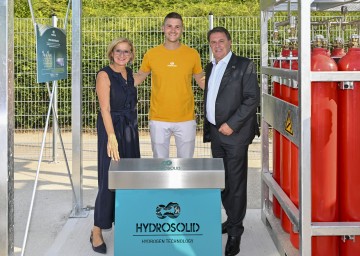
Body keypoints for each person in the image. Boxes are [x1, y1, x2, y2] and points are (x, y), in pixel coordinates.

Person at [203, 27, 260, 256]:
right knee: (223, 180)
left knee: (236, 183)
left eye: (221, 41)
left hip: (234, 135)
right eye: (213, 42)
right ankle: (231, 219)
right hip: (216, 134)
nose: (217, 45)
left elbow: (251, 99)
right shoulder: (211, 66)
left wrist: (232, 124)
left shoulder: (244, 65)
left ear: (230, 41)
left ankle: (235, 232)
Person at [91, 37, 140, 254]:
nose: (122, 55)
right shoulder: (104, 74)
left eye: (126, 52)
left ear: (131, 55)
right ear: (111, 53)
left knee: (129, 177)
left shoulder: (129, 74)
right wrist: (111, 137)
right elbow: (104, 109)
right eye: (118, 51)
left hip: (130, 129)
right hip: (112, 129)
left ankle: (126, 221)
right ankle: (96, 230)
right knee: (109, 179)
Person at [134, 12, 204, 158]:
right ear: (162, 28)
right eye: (169, 26)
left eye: (177, 27)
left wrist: (224, 89)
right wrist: (114, 80)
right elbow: (139, 77)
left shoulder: (192, 54)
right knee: (160, 164)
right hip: (158, 118)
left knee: (186, 164)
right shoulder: (152, 54)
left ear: (182, 29)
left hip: (186, 118)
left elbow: (201, 80)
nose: (173, 30)